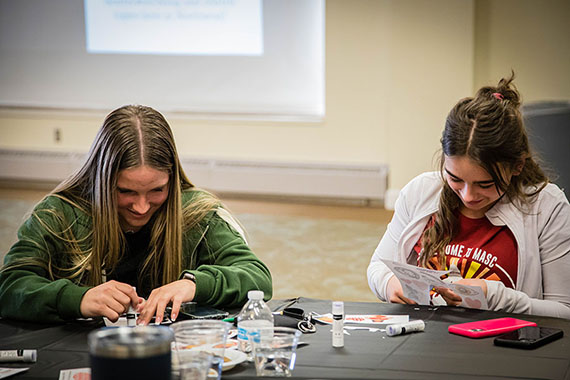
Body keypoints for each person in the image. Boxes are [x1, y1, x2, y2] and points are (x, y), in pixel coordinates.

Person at [0, 105, 272, 324]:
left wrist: (193, 284)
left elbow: (256, 276)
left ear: (172, 181)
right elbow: (10, 287)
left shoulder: (198, 214)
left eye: (157, 190)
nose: (141, 207)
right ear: (101, 180)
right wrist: (78, 299)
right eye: (126, 191)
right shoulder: (59, 215)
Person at [367, 74, 570, 319]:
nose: (468, 195)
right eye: (455, 179)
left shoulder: (546, 205)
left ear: (517, 166)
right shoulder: (421, 191)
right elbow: (378, 266)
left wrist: (495, 296)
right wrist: (390, 283)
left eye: (485, 183)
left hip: (503, 347)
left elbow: (564, 312)